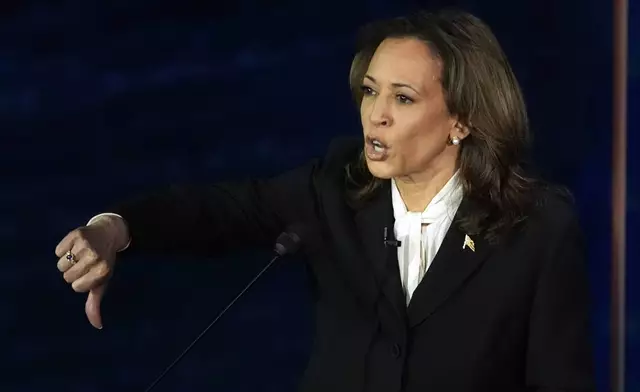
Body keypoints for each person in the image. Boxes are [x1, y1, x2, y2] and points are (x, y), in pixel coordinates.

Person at [55, 8, 595, 392]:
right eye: (370, 90)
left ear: (462, 121)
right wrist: (115, 229)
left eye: (402, 98)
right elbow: (218, 211)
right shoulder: (336, 189)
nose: (374, 115)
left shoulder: (535, 228)